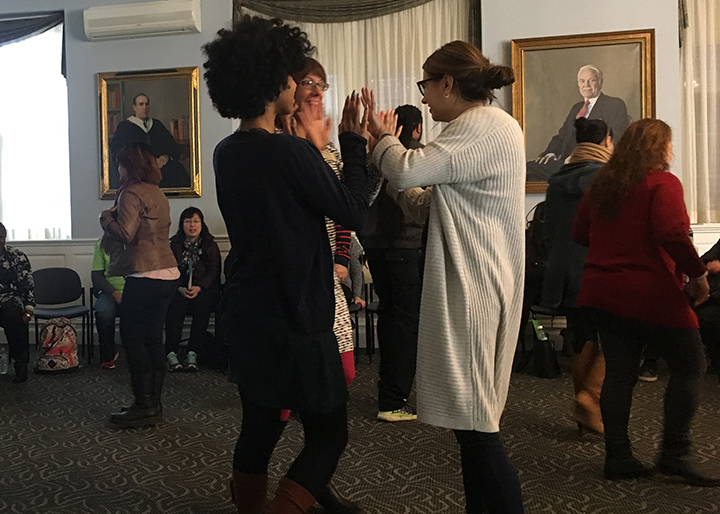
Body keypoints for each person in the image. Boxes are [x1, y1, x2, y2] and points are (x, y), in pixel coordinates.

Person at [202, 16, 369, 514]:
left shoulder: (225, 151)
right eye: (293, 78)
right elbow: (353, 210)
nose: (298, 86)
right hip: (297, 315)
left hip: (249, 312)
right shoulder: (288, 151)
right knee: (329, 437)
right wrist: (353, 143)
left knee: (261, 424)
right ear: (274, 82)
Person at [362, 39, 525, 514]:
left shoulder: (479, 126)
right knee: (472, 426)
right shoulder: (489, 127)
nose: (425, 97)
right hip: (481, 278)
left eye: (426, 85)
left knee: (478, 429)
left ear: (448, 83)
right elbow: (433, 199)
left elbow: (409, 170)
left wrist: (380, 137)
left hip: (476, 285)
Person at [573, 118, 720, 487]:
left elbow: (579, 234)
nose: (673, 151)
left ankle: (618, 457)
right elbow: (671, 232)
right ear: (659, 148)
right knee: (690, 364)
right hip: (649, 291)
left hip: (603, 291)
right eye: (670, 144)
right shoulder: (663, 183)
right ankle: (674, 454)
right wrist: (698, 274)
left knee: (620, 372)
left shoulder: (602, 185)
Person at [540, 118, 613, 435]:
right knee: (615, 335)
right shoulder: (607, 178)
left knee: (580, 336)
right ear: (607, 142)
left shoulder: (557, 179)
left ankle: (583, 415)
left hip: (561, 268)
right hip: (595, 266)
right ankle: (590, 396)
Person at [100, 142, 179, 429]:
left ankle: (144, 405)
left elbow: (124, 232)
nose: (118, 168)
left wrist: (105, 217)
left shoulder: (131, 193)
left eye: (121, 164)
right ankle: (152, 403)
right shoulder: (157, 192)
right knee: (153, 339)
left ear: (129, 166)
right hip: (168, 272)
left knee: (134, 340)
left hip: (145, 276)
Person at [359, 103, 426, 422]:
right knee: (405, 323)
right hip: (406, 247)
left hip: (374, 247)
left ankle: (389, 393)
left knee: (389, 318)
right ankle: (393, 399)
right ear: (416, 129)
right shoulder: (417, 158)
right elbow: (422, 209)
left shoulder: (374, 156)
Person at [526, 65, 629, 182]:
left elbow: (615, 138)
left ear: (600, 82)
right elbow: (562, 135)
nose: (586, 85)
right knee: (530, 169)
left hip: (589, 165)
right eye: (582, 81)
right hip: (566, 163)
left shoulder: (614, 105)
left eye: (592, 80)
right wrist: (551, 153)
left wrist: (580, 158)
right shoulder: (577, 108)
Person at [164, 207, 221, 372]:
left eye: (196, 221)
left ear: (202, 224)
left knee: (202, 305)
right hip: (179, 288)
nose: (192, 225)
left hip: (204, 289)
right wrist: (179, 287)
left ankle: (193, 352)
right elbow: (169, 270)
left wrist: (199, 287)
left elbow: (214, 271)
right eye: (188, 221)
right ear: (182, 224)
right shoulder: (173, 245)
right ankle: (171, 352)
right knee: (175, 305)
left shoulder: (210, 245)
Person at [109, 93, 190, 190]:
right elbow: (119, 153)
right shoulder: (124, 127)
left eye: (147, 104)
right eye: (141, 104)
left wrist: (166, 156)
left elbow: (172, 146)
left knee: (176, 170)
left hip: (160, 167)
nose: (145, 107)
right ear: (134, 107)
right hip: (138, 169)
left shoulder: (157, 125)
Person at [0, 222, 34, 383]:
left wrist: (28, 310)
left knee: (14, 316)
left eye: (1, 237)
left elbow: (27, 284)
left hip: (10, 299)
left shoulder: (16, 256)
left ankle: (20, 364)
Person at [90, 238, 125, 370]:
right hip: (109, 292)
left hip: (134, 291)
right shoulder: (102, 244)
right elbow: (96, 276)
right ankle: (108, 354)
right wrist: (114, 293)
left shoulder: (137, 241)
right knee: (103, 312)